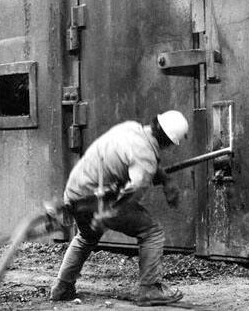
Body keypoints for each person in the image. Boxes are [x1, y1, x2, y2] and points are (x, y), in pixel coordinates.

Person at [50, 110, 189, 306]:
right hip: (97, 201)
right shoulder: (146, 159)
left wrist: (165, 179)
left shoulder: (131, 128)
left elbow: (140, 158)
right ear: (168, 142)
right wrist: (107, 214)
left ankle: (62, 286)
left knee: (87, 236)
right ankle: (149, 289)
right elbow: (132, 192)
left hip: (74, 193)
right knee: (151, 231)